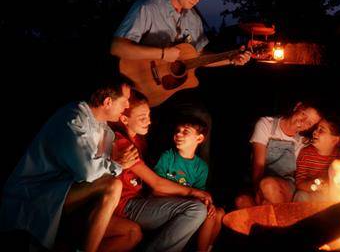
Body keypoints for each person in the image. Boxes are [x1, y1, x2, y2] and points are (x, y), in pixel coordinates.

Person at [110, 0, 251, 169]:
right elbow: (117, 47)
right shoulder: (148, 7)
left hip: (171, 92)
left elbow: (200, 56)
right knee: (152, 132)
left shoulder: (193, 19)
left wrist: (231, 59)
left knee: (201, 119)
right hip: (139, 87)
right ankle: (150, 187)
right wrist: (162, 54)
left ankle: (196, 182)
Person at [0, 75, 142, 252]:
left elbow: (97, 175)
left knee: (132, 233)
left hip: (64, 199)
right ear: (107, 102)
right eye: (125, 101)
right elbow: (88, 173)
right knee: (113, 185)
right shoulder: (72, 119)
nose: (128, 106)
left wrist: (118, 162)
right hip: (35, 195)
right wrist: (119, 164)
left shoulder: (104, 129)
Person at [110, 89, 211, 252]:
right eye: (142, 118)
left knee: (201, 209)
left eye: (149, 116)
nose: (148, 122)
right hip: (125, 205)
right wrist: (192, 192)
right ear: (124, 119)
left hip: (140, 200)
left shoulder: (138, 139)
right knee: (195, 210)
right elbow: (156, 184)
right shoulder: (121, 143)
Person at [154, 116, 225, 252]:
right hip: (165, 204)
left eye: (185, 132)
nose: (178, 134)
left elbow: (200, 194)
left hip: (190, 206)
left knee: (217, 213)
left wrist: (208, 204)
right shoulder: (167, 157)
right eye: (177, 131)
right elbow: (156, 189)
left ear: (199, 139)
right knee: (204, 210)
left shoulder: (201, 167)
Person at [234, 101, 322, 209]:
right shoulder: (266, 125)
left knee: (268, 185)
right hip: (258, 180)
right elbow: (258, 164)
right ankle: (272, 220)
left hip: (286, 186)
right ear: (297, 106)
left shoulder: (302, 142)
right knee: (241, 201)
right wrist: (258, 192)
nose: (303, 122)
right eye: (303, 114)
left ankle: (279, 221)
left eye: (309, 123)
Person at [293, 114, 340, 202]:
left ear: (334, 140)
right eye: (316, 128)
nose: (315, 132)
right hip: (310, 194)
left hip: (330, 197)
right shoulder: (306, 154)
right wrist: (314, 185)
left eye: (321, 130)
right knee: (301, 196)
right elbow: (299, 183)